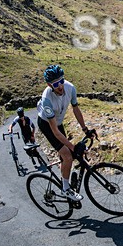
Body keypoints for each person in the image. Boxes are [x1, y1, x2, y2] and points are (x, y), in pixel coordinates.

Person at [36, 65, 96, 201]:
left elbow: (76, 109)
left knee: (66, 155)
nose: (60, 86)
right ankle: (65, 189)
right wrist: (72, 147)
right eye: (56, 84)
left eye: (61, 81)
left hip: (58, 121)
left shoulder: (70, 88)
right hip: (47, 124)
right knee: (68, 155)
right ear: (49, 85)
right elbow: (56, 132)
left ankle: (64, 171)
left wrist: (85, 129)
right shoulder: (47, 100)